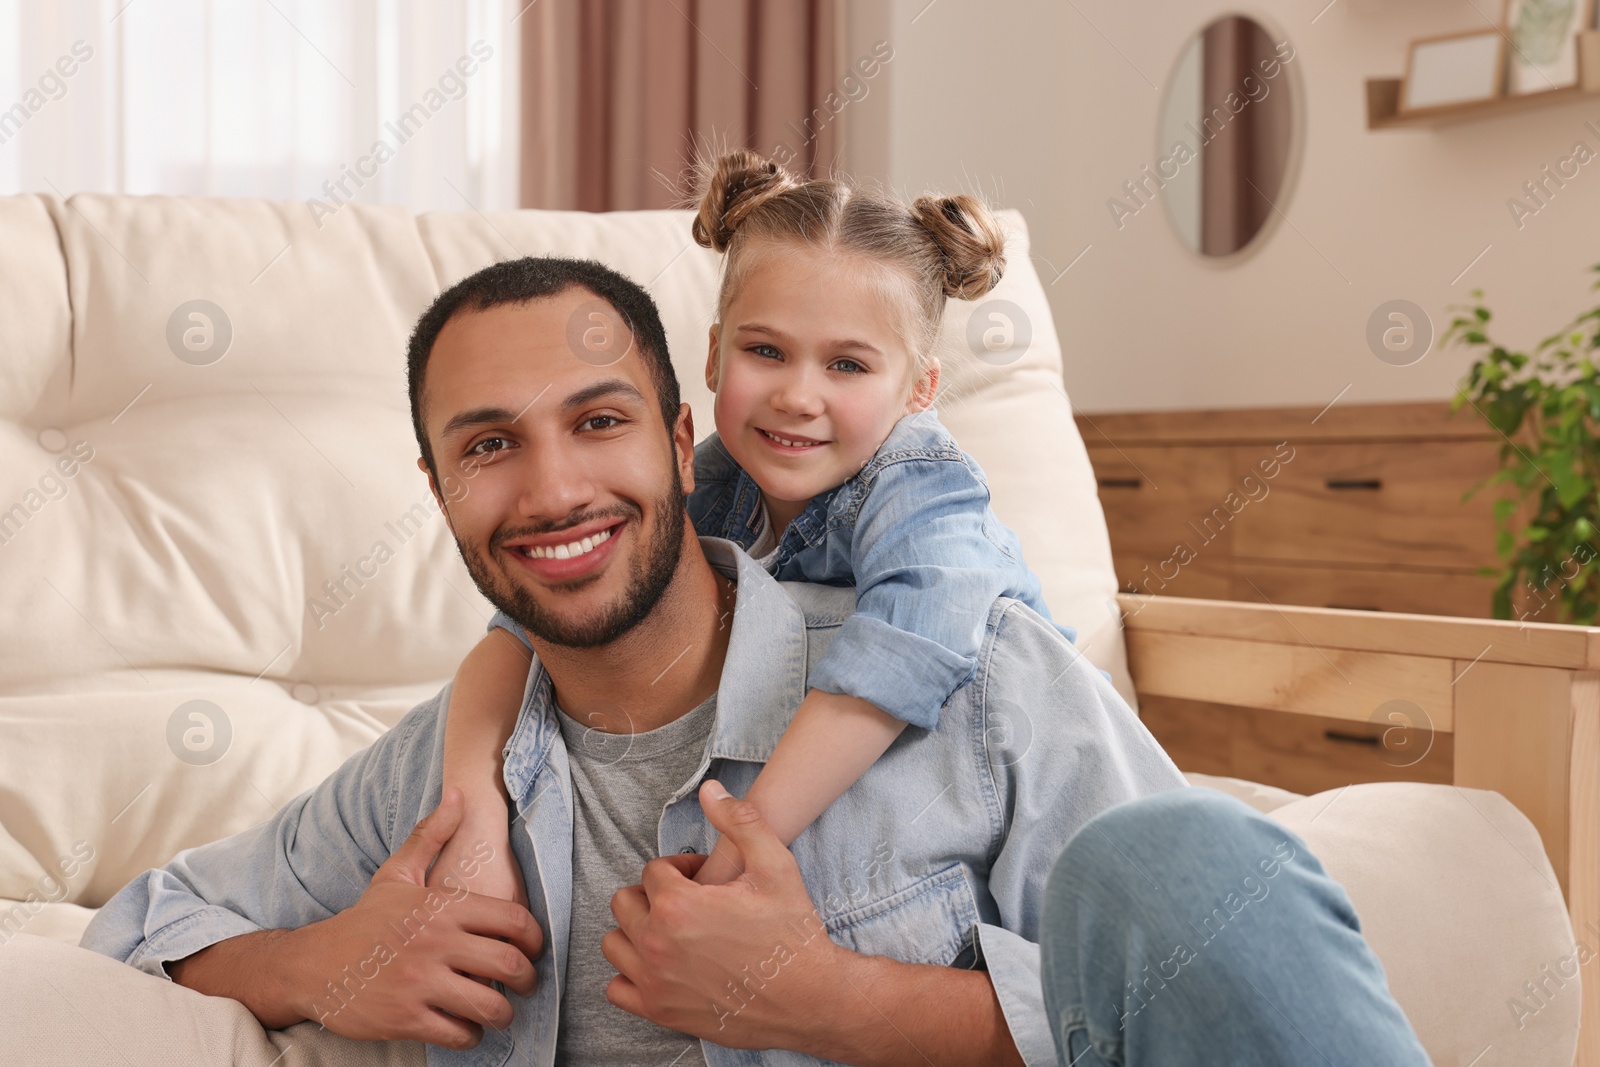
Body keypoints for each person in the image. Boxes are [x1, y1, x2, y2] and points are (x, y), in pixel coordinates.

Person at [79, 253, 1188, 1064]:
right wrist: (324, 965)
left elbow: (1220, 1002)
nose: (555, 490)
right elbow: (149, 923)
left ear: (679, 438)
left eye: (598, 421)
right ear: (436, 489)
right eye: (489, 445)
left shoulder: (984, 678)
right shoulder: (437, 776)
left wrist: (831, 999)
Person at [435, 149, 1080, 894]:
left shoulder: (921, 483)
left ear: (919, 390)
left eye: (847, 365)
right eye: (766, 351)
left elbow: (898, 657)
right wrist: (474, 804)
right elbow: (526, 626)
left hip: (1027, 780)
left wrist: (738, 852)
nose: (797, 396)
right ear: (713, 356)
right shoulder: (709, 476)